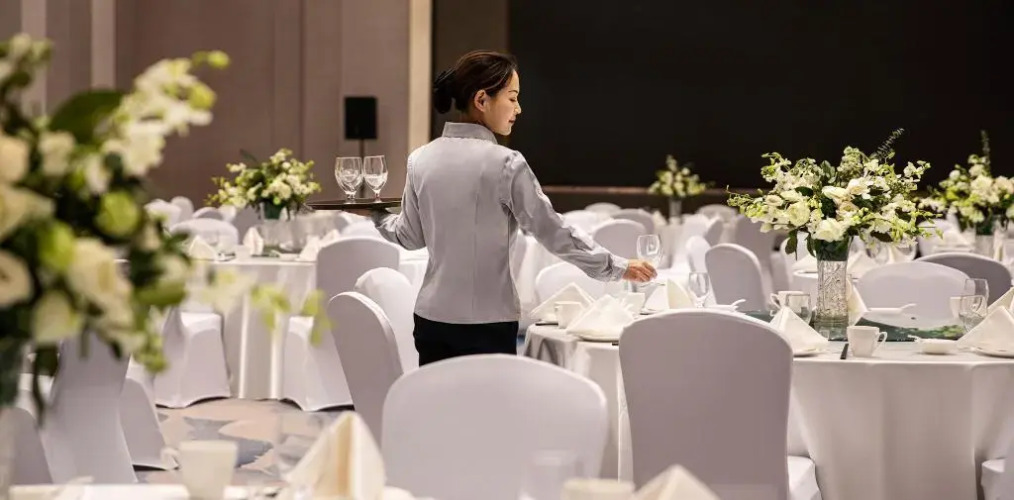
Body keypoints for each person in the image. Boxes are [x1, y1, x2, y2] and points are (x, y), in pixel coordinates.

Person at [373, 50, 656, 366]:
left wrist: (376, 214)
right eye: (512, 98)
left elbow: (409, 237)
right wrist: (616, 266)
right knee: (492, 400)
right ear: (482, 100)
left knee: (438, 399)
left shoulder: (420, 159)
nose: (518, 109)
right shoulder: (506, 163)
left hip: (431, 319)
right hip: (487, 323)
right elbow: (553, 231)